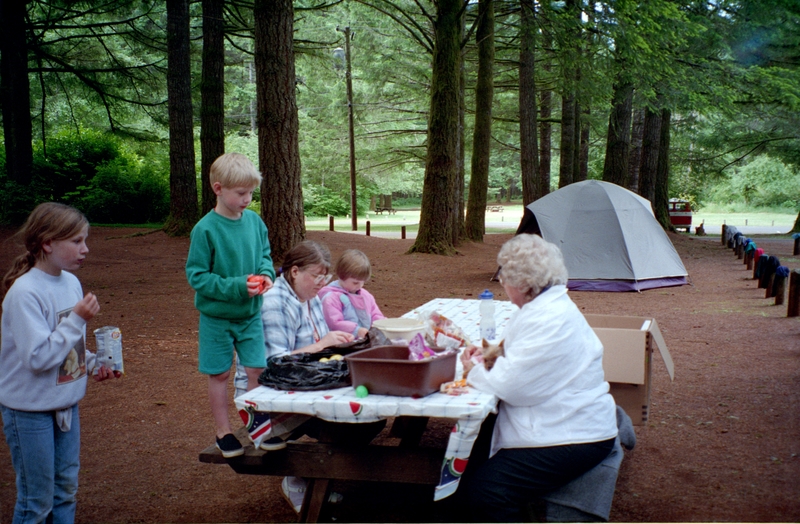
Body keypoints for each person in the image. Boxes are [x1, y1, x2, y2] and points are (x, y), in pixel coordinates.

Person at [458, 234, 618, 522]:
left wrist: (474, 371)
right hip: (564, 415)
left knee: (488, 493)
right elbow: (523, 357)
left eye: (503, 277)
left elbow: (512, 386)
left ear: (522, 283)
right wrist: (489, 354)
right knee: (477, 448)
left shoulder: (548, 318)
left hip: (576, 433)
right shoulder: (543, 306)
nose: (502, 284)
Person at [233, 240, 385, 514]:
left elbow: (319, 348)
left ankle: (320, 476)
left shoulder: (310, 297)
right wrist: (321, 345)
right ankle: (301, 479)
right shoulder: (274, 302)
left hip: (305, 383)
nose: (321, 282)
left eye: (324, 276)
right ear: (294, 272)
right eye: (316, 275)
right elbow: (274, 365)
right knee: (353, 422)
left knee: (370, 419)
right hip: (267, 399)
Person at [0, 202, 121, 524]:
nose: (85, 249)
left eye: (85, 240)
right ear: (47, 243)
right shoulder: (25, 292)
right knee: (36, 501)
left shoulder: (69, 282)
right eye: (76, 241)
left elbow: (69, 346)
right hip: (29, 411)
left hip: (65, 404)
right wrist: (77, 319)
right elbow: (38, 357)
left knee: (65, 490)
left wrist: (94, 364)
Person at [185, 152, 276, 459]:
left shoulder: (255, 222)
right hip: (216, 318)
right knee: (220, 374)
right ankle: (223, 431)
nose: (247, 199)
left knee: (256, 369)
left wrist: (266, 275)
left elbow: (265, 255)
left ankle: (258, 426)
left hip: (250, 315)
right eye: (241, 193)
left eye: (251, 192)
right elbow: (197, 276)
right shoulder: (205, 229)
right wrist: (237, 286)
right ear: (218, 188)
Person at [318, 249, 385, 338]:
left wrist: (383, 325)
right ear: (342, 276)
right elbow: (334, 322)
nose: (360, 285)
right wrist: (356, 330)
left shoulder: (366, 296)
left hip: (363, 341)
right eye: (355, 283)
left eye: (363, 282)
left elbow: (375, 313)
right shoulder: (331, 298)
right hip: (342, 344)